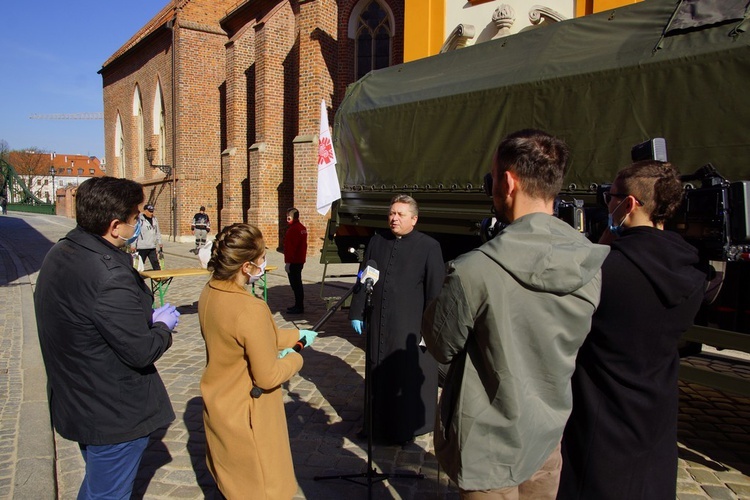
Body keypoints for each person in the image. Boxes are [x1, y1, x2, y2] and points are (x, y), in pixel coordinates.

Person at [421, 129, 610, 498]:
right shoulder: (590, 260)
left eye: (492, 178)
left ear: (508, 182)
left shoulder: (474, 270)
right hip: (548, 438)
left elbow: (440, 346)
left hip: (488, 448)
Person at [558, 161, 706, 499]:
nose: (606, 204)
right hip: (656, 411)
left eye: (610, 197)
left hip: (601, 415)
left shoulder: (605, 269)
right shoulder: (693, 269)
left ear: (629, 204)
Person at [34, 176, 180, 499]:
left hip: (78, 397)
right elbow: (142, 351)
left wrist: (139, 318)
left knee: (98, 485)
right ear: (115, 226)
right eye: (135, 218)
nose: (139, 223)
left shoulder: (62, 251)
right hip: (111, 412)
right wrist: (162, 327)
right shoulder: (109, 276)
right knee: (107, 493)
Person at [198, 222, 318, 499]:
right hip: (248, 413)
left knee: (230, 484)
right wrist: (295, 359)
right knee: (260, 489)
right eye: (262, 257)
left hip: (220, 406)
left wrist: (297, 335)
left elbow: (258, 336)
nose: (265, 262)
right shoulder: (250, 308)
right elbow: (268, 375)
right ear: (246, 266)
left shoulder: (211, 290)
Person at [348, 194, 445, 445]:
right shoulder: (377, 241)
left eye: (400, 214)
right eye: (392, 213)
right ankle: (374, 424)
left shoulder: (429, 247)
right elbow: (364, 275)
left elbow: (435, 292)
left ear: (414, 218)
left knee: (402, 375)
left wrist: (430, 328)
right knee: (377, 371)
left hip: (408, 323)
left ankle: (403, 429)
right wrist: (357, 310)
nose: (394, 218)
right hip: (379, 318)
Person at [283, 208, 307, 314]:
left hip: (294, 261)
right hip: (300, 259)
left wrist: (288, 262)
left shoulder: (293, 229)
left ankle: (299, 306)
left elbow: (290, 248)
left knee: (295, 284)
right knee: (298, 283)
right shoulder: (302, 228)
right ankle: (298, 305)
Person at [135, 203, 163, 270]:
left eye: (152, 211)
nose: (151, 213)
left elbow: (157, 231)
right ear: (145, 211)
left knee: (155, 263)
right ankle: (137, 277)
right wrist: (133, 245)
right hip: (142, 246)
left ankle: (159, 277)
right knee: (140, 264)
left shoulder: (154, 219)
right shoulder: (139, 220)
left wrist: (160, 242)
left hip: (152, 246)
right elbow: (135, 233)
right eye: (150, 211)